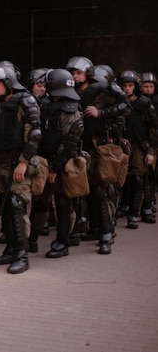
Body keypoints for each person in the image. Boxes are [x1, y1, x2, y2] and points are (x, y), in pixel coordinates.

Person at [68, 56, 130, 254]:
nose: (74, 76)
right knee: (84, 192)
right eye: (72, 73)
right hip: (78, 146)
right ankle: (94, 228)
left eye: (78, 72)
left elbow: (125, 105)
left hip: (96, 146)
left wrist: (101, 113)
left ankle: (106, 233)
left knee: (99, 192)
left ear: (87, 73)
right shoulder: (70, 91)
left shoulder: (99, 90)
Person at [0, 61, 41, 274]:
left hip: (19, 161)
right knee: (4, 204)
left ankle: (22, 254)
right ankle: (11, 249)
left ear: (8, 82)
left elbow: (35, 133)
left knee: (16, 203)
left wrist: (23, 162)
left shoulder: (25, 100)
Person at [39, 69, 84, 258]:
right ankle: (68, 236)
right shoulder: (53, 106)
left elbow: (68, 144)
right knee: (53, 201)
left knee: (64, 202)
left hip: (63, 163)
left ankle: (63, 242)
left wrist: (56, 168)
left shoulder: (69, 110)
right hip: (52, 160)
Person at [117, 70, 158, 229]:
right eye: (124, 86)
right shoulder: (119, 102)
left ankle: (134, 214)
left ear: (136, 86)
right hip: (121, 144)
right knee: (121, 179)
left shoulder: (143, 103)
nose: (127, 89)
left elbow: (154, 127)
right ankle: (123, 208)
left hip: (140, 145)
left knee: (139, 178)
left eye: (130, 85)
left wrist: (151, 151)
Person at [26, 67, 54, 252]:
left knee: (42, 200)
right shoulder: (24, 102)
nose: (41, 89)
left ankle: (33, 237)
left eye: (44, 86)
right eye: (38, 85)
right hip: (25, 156)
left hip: (44, 157)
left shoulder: (50, 105)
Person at [139, 71, 158, 224]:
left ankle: (149, 202)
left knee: (152, 175)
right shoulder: (140, 102)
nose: (149, 89)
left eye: (151, 86)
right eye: (146, 86)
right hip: (144, 141)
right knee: (144, 174)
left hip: (154, 140)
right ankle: (144, 206)